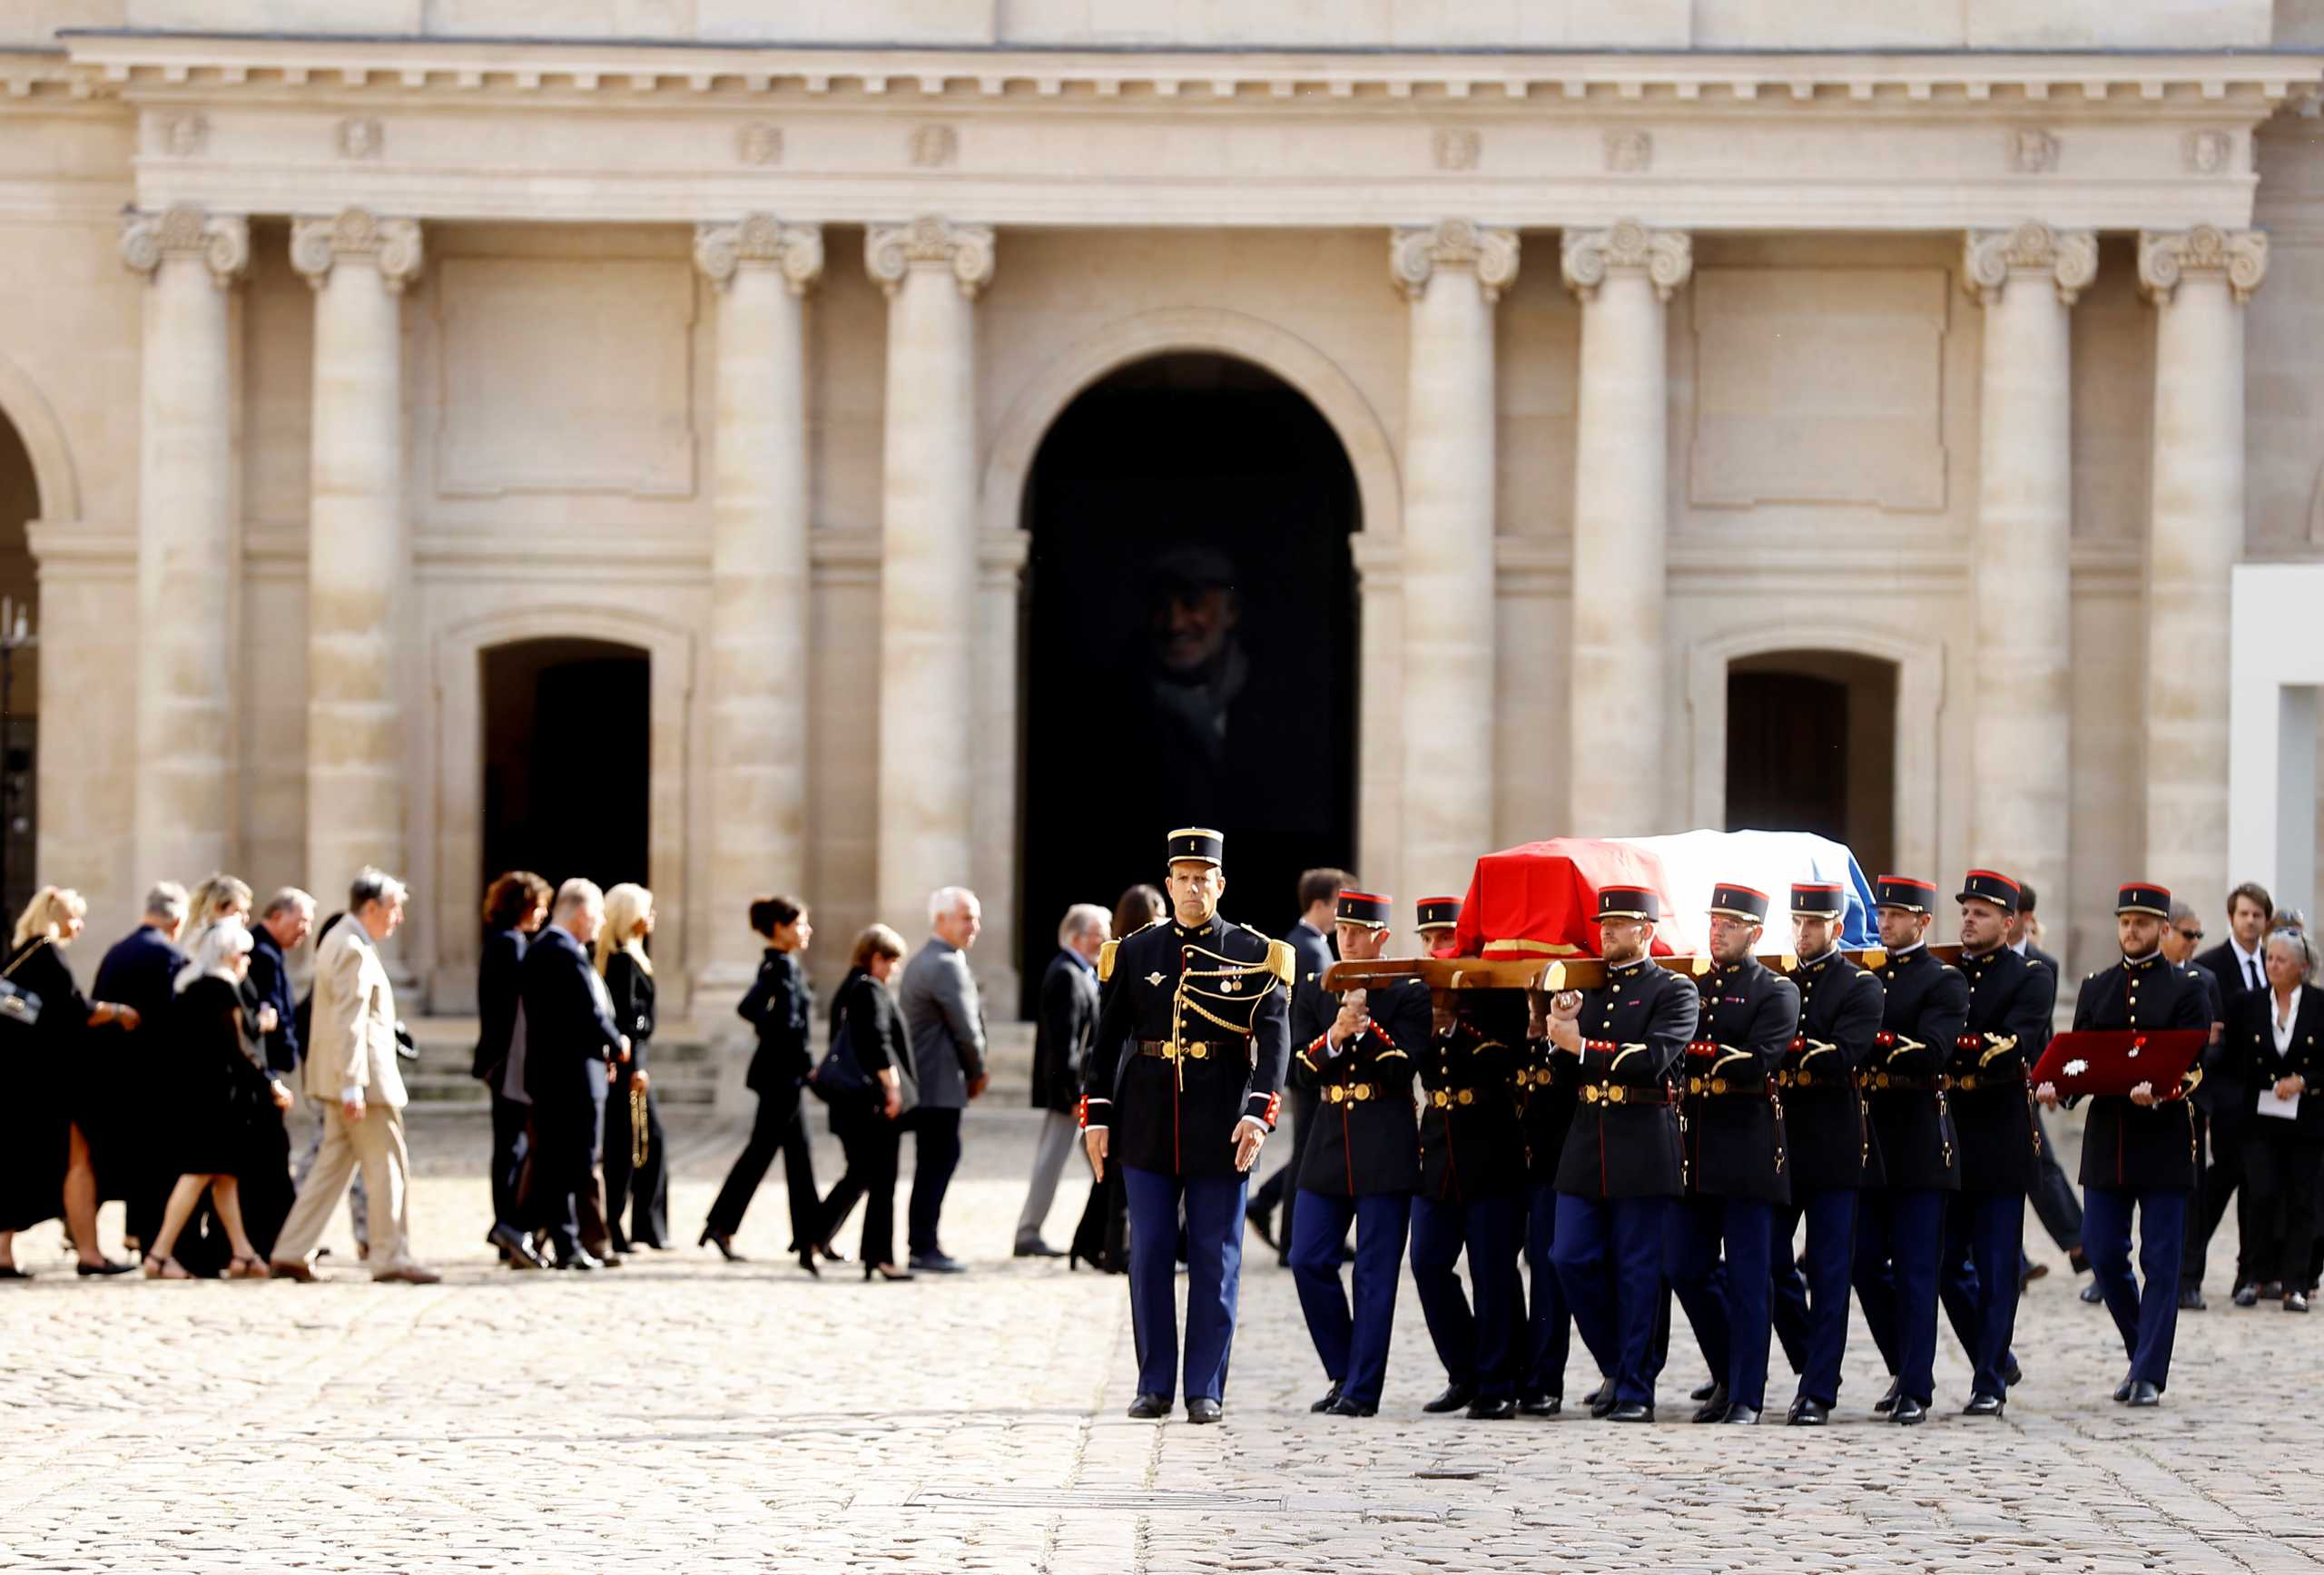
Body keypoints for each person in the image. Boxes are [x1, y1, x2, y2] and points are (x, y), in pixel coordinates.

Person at [1082, 827, 1291, 1423]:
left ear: (1219, 884)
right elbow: (1106, 1040)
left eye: (1204, 878)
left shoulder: (1253, 952)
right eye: (1183, 877)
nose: (1194, 887)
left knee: (1215, 1254)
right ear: (1169, 883)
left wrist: (1259, 1110)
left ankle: (1205, 1386)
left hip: (1222, 1119)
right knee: (1146, 1253)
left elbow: (1274, 1038)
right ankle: (1153, 1383)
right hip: (1146, 1119)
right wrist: (1096, 1114)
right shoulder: (1138, 950)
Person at [2037, 881, 2211, 1406]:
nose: (2130, 931)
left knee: (2161, 1262)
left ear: (2163, 928)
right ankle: (2144, 1350)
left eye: (2141, 923)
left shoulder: (2188, 988)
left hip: (2162, 1139)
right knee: (2105, 1252)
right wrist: (2058, 1091)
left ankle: (2148, 1375)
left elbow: (2197, 1064)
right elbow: (2080, 1057)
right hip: (2108, 1140)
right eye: (2124, 922)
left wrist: (2164, 1089)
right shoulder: (2097, 987)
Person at [1542, 886, 1699, 1423]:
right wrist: (1557, 1030)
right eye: (1603, 923)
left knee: (1638, 1270)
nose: (1607, 931)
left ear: (1647, 931)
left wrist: (1579, 1045)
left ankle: (1636, 1387)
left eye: (1621, 923)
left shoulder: (1673, 991)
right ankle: (1616, 1363)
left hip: (1643, 1141)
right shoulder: (1593, 991)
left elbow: (1654, 1059)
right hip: (1588, 1140)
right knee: (1568, 1256)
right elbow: (1562, 1074)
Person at [1665, 882, 1798, 1426]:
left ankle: (1748, 1391)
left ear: (1755, 933)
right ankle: (1725, 1370)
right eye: (1715, 920)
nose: (1718, 929)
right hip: (1695, 1143)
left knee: (1748, 1275)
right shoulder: (1692, 985)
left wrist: (1698, 1055)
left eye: (1731, 923)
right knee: (1685, 1268)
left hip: (1747, 1146)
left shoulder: (1776, 990)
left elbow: (1758, 1059)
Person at [1288, 890, 1423, 1420]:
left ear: (1381, 938)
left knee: (1374, 1272)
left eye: (1357, 931)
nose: (1345, 939)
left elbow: (1401, 1067)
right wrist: (1337, 1033)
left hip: (1385, 1141)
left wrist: (1366, 1030)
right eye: (1341, 930)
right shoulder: (1317, 988)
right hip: (1327, 1140)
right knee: (1307, 1258)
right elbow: (1298, 1070)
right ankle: (1344, 1369)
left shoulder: (1406, 992)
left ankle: (1362, 1390)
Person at [268, 868, 438, 1285]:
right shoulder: (353, 947)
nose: (397, 919)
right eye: (394, 910)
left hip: (349, 1078)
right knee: (387, 1166)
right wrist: (352, 1084)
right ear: (373, 906)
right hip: (364, 1080)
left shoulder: (344, 939)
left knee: (331, 1168)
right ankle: (390, 1255)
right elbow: (351, 1020)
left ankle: (291, 1249)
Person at [1935, 871, 2053, 1417]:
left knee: (1997, 1263)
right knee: (1943, 1263)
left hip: (2002, 1132)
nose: (1968, 919)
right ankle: (1996, 1352)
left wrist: (1951, 1048)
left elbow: (2015, 1047)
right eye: (1964, 910)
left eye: (1980, 912)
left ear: (2009, 923)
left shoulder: (2029, 976)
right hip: (1951, 1133)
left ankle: (1988, 1382)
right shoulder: (1946, 971)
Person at [1851, 875, 1967, 1426]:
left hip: (1919, 1138)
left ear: (1922, 922)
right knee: (1864, 1262)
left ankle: (1916, 1386)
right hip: (1871, 1140)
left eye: (1898, 915)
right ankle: (1902, 1363)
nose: (1886, 923)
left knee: (1919, 1268)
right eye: (1882, 913)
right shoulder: (1865, 975)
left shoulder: (1942, 982)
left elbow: (1933, 1052)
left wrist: (1869, 1041)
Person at [1768, 881, 1886, 1426]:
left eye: (1813, 923)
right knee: (1767, 1260)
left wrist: (1783, 1049)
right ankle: (1810, 1357)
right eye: (1797, 922)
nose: (1803, 931)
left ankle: (1818, 1389)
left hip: (1836, 1143)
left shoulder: (1860, 985)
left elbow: (1844, 1055)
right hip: (1780, 1144)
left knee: (1830, 1268)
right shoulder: (1780, 981)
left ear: (1837, 928)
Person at [0, 886, 142, 1277]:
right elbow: (74, 1010)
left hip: (16, 1075)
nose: (79, 927)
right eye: (75, 918)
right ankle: (90, 1253)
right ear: (58, 919)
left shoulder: (23, 953)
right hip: (46, 1080)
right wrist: (118, 1012)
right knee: (78, 1160)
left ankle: (5, 1253)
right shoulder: (47, 952)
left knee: (12, 1159)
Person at [141, 920, 293, 1280]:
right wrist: (271, 1081)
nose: (247, 963)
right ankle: (160, 1255)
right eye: (243, 955)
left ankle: (243, 1253)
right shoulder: (222, 989)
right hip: (215, 1099)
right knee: (198, 1175)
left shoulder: (192, 987)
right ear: (227, 955)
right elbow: (239, 1046)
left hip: (201, 1095)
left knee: (225, 1177)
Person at [703, 895, 821, 1274]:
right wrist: (778, 1038)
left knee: (795, 1156)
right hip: (780, 1076)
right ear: (781, 928)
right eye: (801, 924)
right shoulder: (777, 966)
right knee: (768, 1154)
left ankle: (811, 1236)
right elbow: (751, 1008)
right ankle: (725, 1225)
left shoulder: (787, 966)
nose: (807, 931)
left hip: (788, 1074)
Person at [522, 878, 628, 1271]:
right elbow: (586, 1012)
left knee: (565, 1162)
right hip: (567, 1076)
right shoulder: (560, 952)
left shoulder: (556, 950)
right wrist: (616, 1042)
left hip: (567, 1073)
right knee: (571, 1162)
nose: (601, 924)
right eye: (598, 915)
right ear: (582, 914)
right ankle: (557, 1240)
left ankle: (563, 1241)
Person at [1247, 867, 1347, 1258]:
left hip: (1301, 1058)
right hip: (1310, 1060)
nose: (1342, 916)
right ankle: (1293, 1236)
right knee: (1309, 1150)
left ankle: (1269, 1205)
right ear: (1320, 904)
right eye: (1339, 905)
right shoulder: (1312, 948)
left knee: (1307, 1147)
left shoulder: (1301, 943)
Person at [2222, 929, 2320, 1311]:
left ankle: (2295, 1282)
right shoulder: (2247, 1005)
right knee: (2259, 1195)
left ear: (2302, 967)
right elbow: (2233, 1062)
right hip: (2260, 1119)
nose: (2272, 965)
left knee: (2301, 1201)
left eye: (2281, 959)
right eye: (2269, 958)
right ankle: (2255, 1275)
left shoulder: (2318, 1005)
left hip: (2307, 1120)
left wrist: (2304, 1081)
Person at [1068, 883, 1164, 1274]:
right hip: (1127, 1080)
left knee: (1110, 1179)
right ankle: (1113, 1252)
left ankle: (1088, 1245)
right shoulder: (1133, 960)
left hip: (1121, 1080)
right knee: (1120, 1181)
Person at [91, 881, 190, 1254]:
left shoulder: (117, 951)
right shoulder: (167, 954)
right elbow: (173, 1020)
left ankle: (129, 1232)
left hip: (115, 1070)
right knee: (154, 1161)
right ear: (176, 919)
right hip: (155, 1074)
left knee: (123, 1156)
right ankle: (147, 1236)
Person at [816, 924, 918, 1281]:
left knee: (860, 1174)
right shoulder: (871, 990)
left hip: (848, 1101)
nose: (895, 969)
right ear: (876, 958)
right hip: (870, 1101)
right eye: (892, 961)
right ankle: (879, 1256)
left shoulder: (846, 989)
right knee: (881, 1179)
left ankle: (813, 1236)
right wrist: (892, 1088)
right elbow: (877, 1041)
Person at [2190, 882, 2274, 1307]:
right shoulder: (2210, 966)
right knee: (2221, 1184)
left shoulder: (2276, 964)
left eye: (2258, 915)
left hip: (2266, 1101)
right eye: (2244, 914)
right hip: (2225, 1099)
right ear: (2231, 917)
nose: (2251, 921)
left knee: (2258, 1188)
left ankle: (2251, 1273)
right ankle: (2190, 1269)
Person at [899, 886, 990, 1274]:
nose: (975, 926)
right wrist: (978, 1071)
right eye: (967, 917)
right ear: (941, 920)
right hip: (938, 1082)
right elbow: (967, 1030)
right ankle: (923, 1244)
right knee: (938, 1161)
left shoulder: (931, 959)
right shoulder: (945, 964)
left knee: (932, 1161)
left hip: (930, 1080)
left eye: (976, 917)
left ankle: (922, 1242)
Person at [1017, 903, 1108, 1258]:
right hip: (1070, 1092)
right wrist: (1072, 1093)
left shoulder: (1080, 973)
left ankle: (1101, 1233)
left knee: (1103, 1163)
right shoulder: (1067, 975)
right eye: (1100, 935)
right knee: (1053, 1160)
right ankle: (1028, 1233)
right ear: (1077, 937)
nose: (1105, 942)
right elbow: (1063, 1043)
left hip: (1077, 1090)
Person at [2010, 881, 2088, 1291]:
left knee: (2036, 1163)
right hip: (1991, 1083)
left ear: (2023, 918)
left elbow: (2044, 1030)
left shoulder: (2045, 964)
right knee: (2031, 1165)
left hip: (2028, 1081)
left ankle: (2076, 1243)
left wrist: (2052, 1077)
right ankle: (2075, 1244)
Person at [475, 871, 550, 1270]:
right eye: (537, 907)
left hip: (502, 1060)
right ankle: (507, 1224)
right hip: (510, 1061)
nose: (541, 915)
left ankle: (505, 1225)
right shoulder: (510, 945)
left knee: (510, 1146)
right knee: (513, 1147)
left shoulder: (504, 943)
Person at [239, 888, 315, 1261]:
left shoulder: (271, 951)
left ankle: (285, 1237)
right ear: (278, 915)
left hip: (271, 1069)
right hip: (263, 1073)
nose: (305, 931)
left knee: (273, 1156)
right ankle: (281, 1239)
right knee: (269, 1158)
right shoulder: (262, 952)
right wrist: (271, 1075)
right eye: (301, 921)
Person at [597, 881, 667, 1254]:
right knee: (633, 1147)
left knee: (639, 1146)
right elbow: (629, 1021)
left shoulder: (630, 957)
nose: (652, 917)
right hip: (629, 1070)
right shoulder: (623, 961)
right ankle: (623, 1225)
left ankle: (643, 1226)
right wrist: (637, 1066)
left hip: (631, 1067)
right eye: (646, 910)